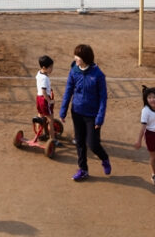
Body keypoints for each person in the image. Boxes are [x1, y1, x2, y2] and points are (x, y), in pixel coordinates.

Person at [58, 43, 110, 182]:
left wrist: (100, 118)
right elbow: (68, 90)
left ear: (85, 58)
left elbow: (103, 98)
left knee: (93, 144)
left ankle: (104, 158)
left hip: (92, 115)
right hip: (77, 112)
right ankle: (83, 170)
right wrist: (63, 110)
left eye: (78, 57)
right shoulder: (74, 71)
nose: (75, 59)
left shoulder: (98, 75)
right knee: (80, 143)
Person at [34, 55, 55, 143]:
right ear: (44, 67)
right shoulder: (45, 78)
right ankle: (52, 139)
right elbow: (44, 92)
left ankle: (40, 134)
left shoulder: (39, 73)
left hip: (38, 98)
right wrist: (49, 101)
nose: (52, 69)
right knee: (50, 119)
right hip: (44, 99)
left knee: (40, 115)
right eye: (50, 67)